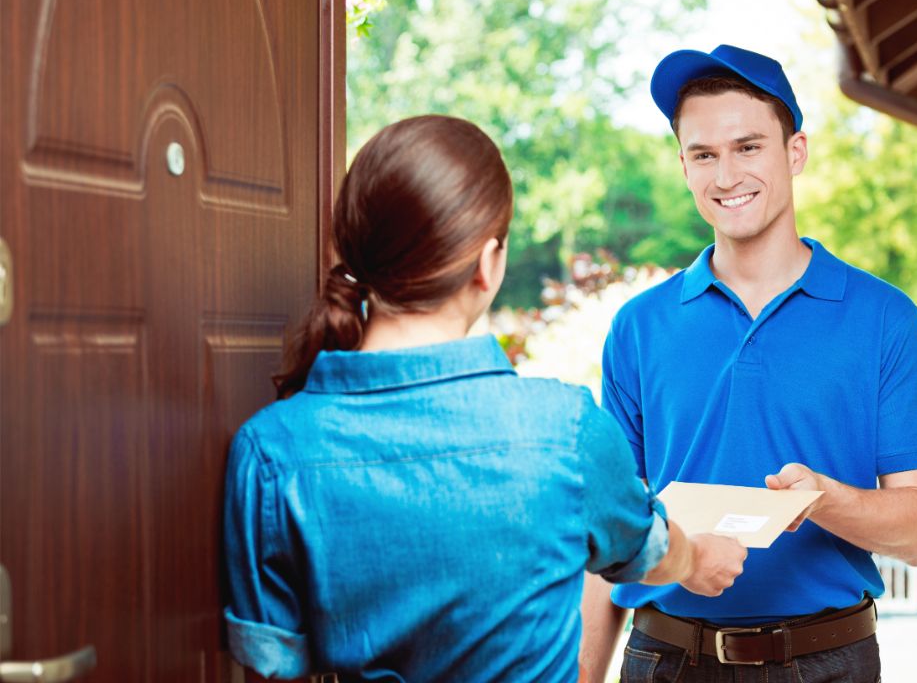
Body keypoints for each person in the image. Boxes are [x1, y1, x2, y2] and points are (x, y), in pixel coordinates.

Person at [222, 115, 748, 683]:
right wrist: (696, 558)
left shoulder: (268, 451)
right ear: (487, 263)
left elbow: (274, 661)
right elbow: (640, 549)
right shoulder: (565, 431)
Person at [579, 46, 917, 682]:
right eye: (703, 154)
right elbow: (612, 529)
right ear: (684, 166)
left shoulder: (884, 318)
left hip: (828, 662)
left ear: (794, 152)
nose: (725, 176)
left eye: (747, 147)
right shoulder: (639, 327)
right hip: (664, 660)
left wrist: (828, 500)